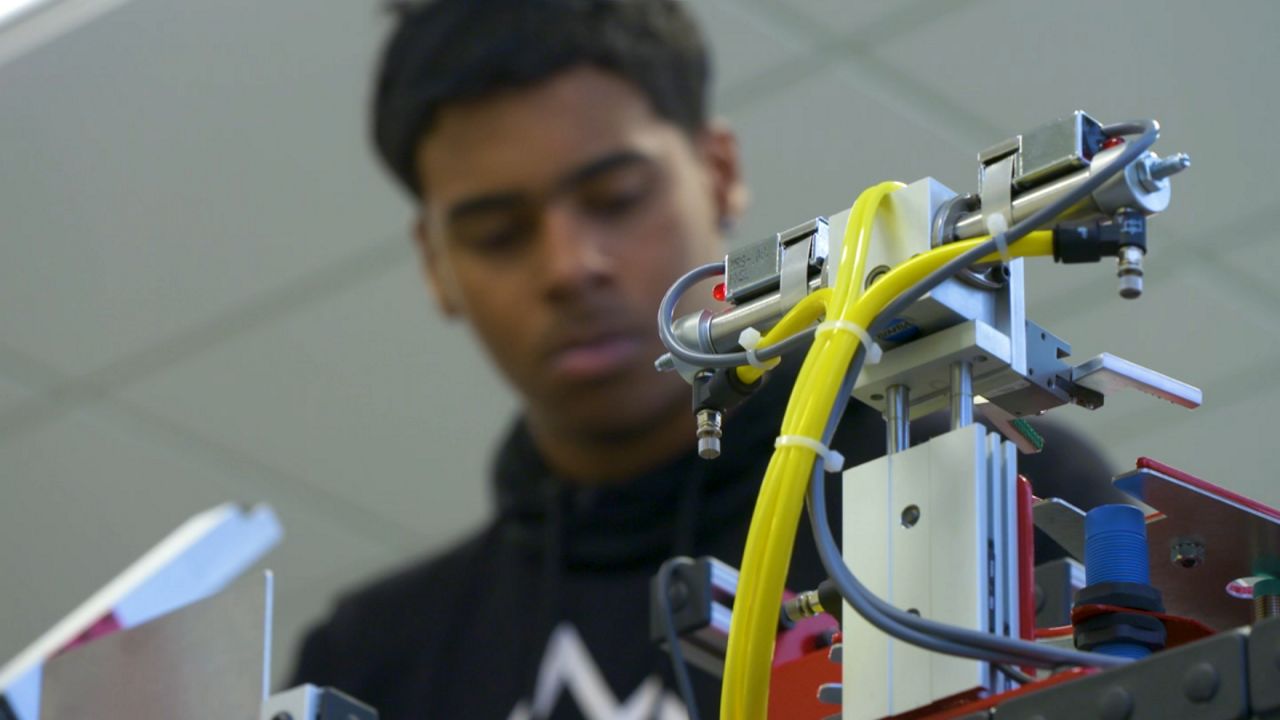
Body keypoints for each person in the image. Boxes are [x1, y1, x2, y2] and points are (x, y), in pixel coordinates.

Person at [291, 1, 1120, 717]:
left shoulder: (998, 495)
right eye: (497, 233)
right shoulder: (373, 663)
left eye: (617, 198)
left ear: (719, 173)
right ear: (436, 264)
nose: (568, 266)